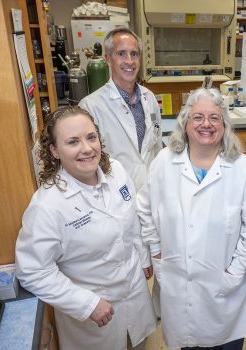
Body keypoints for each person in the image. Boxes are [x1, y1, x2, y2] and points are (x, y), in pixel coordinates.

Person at [136, 88, 246, 349]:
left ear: (225, 125)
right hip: (178, 283)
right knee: (187, 343)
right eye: (198, 117)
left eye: (214, 117)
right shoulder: (165, 162)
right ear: (185, 122)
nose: (206, 124)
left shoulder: (243, 169)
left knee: (227, 344)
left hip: (226, 287)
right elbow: (144, 209)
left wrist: (235, 271)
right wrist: (156, 251)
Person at [15, 106, 156, 350]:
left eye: (91, 137)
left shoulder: (116, 171)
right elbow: (33, 271)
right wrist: (86, 304)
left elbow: (132, 221)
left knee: (138, 344)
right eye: (72, 142)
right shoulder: (47, 205)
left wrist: (143, 257)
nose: (87, 148)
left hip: (134, 294)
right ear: (54, 151)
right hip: (95, 315)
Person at [79, 27, 162, 279]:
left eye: (134, 54)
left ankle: (161, 315)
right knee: (129, 275)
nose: (129, 61)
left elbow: (156, 147)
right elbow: (90, 166)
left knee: (160, 267)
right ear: (108, 59)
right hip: (117, 202)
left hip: (152, 196)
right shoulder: (91, 106)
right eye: (121, 54)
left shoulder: (149, 98)